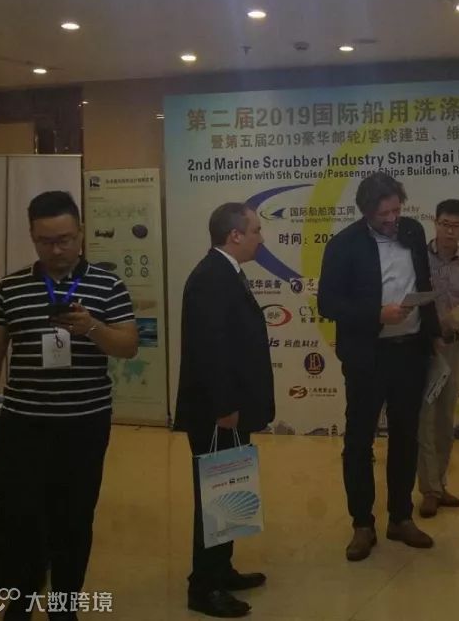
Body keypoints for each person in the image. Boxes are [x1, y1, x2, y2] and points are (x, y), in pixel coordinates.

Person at [0, 191, 138, 621]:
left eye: (65, 239)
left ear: (81, 233)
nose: (57, 249)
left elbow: (128, 345)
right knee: (20, 520)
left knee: (74, 520)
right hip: (23, 424)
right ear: (32, 236)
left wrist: (92, 327)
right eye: (46, 241)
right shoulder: (10, 287)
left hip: (84, 425)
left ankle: (64, 607)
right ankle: (20, 604)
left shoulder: (108, 284)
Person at [318, 172, 441, 562]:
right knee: (359, 442)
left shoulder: (413, 232)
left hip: (411, 352)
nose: (392, 219)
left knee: (406, 436)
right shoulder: (344, 245)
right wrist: (376, 314)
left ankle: (401, 517)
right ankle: (362, 524)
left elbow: (423, 279)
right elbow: (328, 303)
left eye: (396, 210)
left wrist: (433, 332)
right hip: (367, 356)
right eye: (384, 213)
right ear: (366, 211)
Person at [175, 203, 275, 619]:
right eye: (255, 230)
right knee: (214, 496)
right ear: (235, 235)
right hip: (217, 412)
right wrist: (224, 406)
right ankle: (204, 586)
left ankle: (222, 569)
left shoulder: (227, 272)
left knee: (230, 487)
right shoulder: (210, 278)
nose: (261, 238)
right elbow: (209, 349)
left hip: (231, 408)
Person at [417, 199, 459, 518]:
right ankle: (428, 489)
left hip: (452, 347)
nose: (450, 231)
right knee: (424, 418)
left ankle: (440, 483)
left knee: (444, 419)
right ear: (435, 222)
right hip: (421, 347)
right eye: (445, 224)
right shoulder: (417, 258)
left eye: (457, 226)